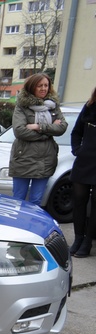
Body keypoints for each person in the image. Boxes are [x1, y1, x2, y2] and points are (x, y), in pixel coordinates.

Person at [9, 73, 68, 206]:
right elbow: (19, 131)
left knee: (36, 201)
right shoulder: (22, 106)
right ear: (31, 87)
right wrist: (49, 131)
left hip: (45, 160)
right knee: (18, 200)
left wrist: (38, 127)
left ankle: (31, 226)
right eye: (39, 85)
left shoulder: (53, 106)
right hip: (23, 158)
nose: (43, 88)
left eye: (46, 85)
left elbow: (62, 127)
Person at [68, 86, 96, 258]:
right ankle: (78, 239)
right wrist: (77, 149)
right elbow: (76, 132)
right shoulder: (89, 105)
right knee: (79, 202)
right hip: (84, 161)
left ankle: (88, 243)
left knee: (95, 205)